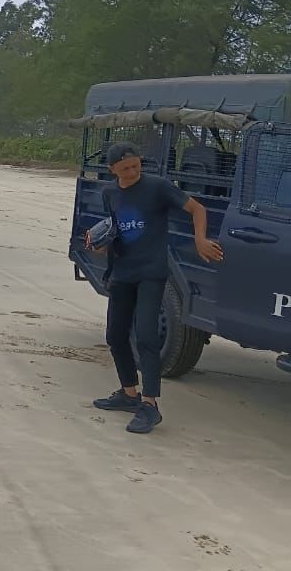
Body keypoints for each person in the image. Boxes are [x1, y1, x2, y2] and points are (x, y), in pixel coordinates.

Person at [85, 141, 224, 433]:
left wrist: (200, 239)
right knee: (116, 336)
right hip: (123, 273)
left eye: (136, 165)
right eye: (126, 168)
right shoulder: (109, 193)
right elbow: (117, 229)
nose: (133, 171)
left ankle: (150, 405)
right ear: (113, 170)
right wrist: (101, 243)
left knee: (147, 336)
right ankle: (129, 393)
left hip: (151, 273)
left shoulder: (158, 187)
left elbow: (196, 209)